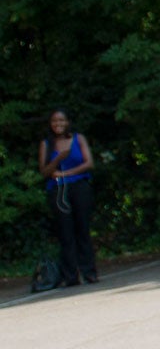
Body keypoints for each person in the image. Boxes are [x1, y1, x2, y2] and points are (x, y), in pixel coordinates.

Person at [37, 108, 97, 286]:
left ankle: (89, 271)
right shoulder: (46, 144)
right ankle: (71, 275)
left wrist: (67, 173)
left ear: (68, 122)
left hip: (79, 186)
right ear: (50, 124)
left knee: (82, 228)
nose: (58, 124)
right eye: (55, 121)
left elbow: (89, 163)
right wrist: (57, 159)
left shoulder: (78, 139)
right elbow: (44, 171)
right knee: (65, 231)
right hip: (58, 190)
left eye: (61, 120)